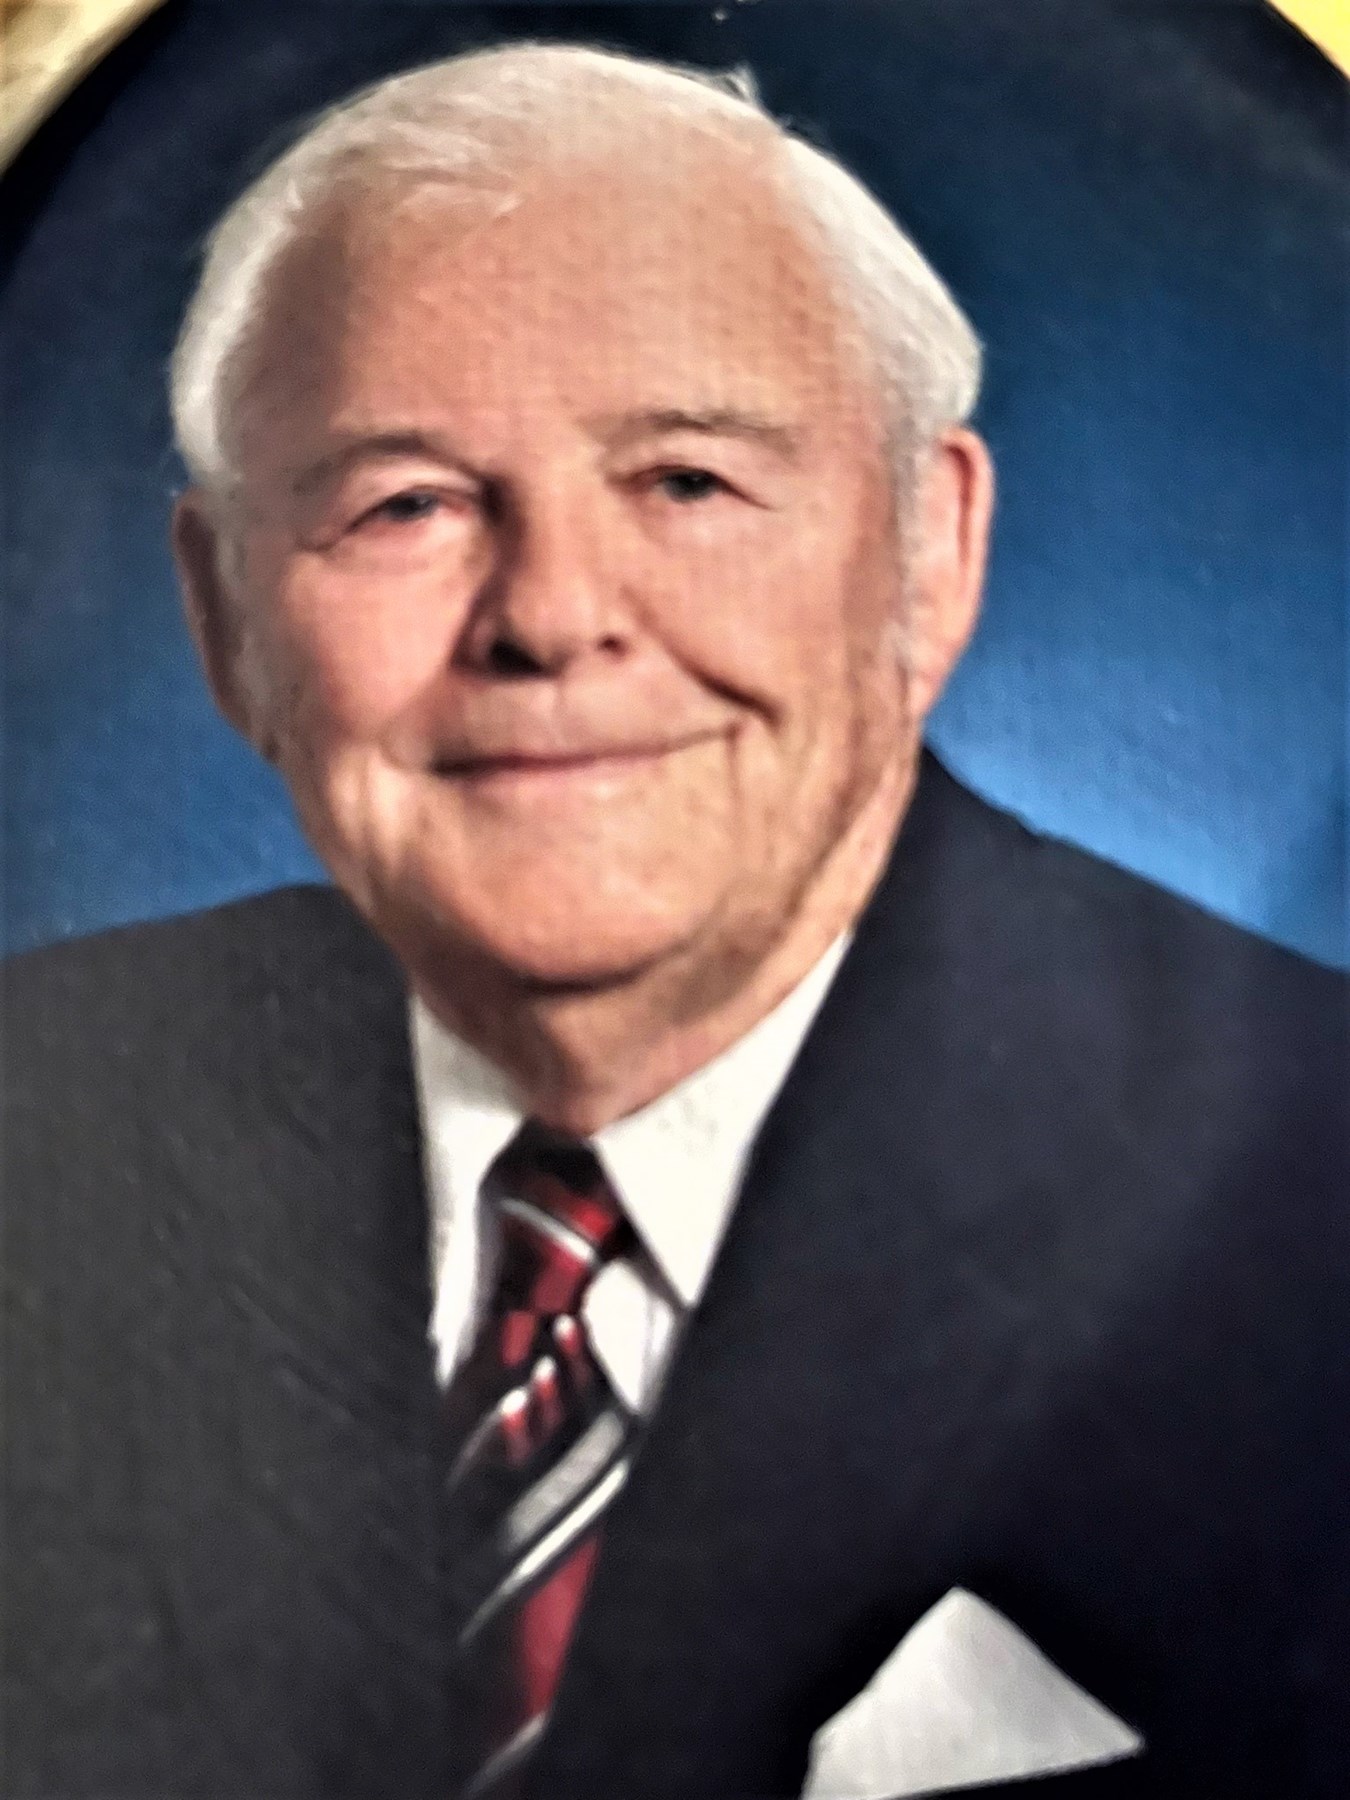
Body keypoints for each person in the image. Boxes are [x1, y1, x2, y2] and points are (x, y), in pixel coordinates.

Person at [3, 41, 1345, 1800]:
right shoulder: (38, 1113)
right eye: (405, 503)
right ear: (223, 619)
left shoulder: (1309, 1178)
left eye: (686, 481)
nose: (551, 617)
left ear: (928, 553)